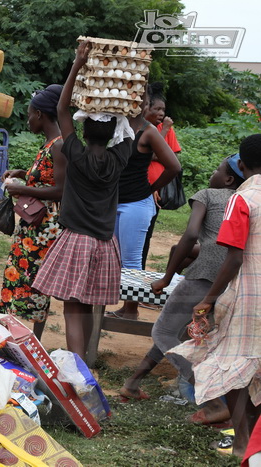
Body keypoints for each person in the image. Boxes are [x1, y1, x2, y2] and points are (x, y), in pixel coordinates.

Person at [117, 155, 244, 427]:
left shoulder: (208, 195)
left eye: (217, 169)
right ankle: (132, 383)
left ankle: (211, 402)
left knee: (163, 332)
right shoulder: (243, 200)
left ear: (229, 178)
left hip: (203, 275)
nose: (213, 171)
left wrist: (166, 277)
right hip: (230, 281)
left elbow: (189, 236)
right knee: (176, 331)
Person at [31, 40, 133, 360]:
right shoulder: (120, 157)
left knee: (72, 308)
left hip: (76, 240)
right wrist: (128, 85)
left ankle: (78, 367)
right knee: (88, 305)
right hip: (105, 243)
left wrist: (77, 64)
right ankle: (85, 362)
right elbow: (136, 121)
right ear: (115, 132)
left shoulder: (73, 151)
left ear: (84, 129)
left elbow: (62, 110)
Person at [169, 134, 261, 458]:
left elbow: (234, 259)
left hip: (248, 296)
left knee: (230, 367)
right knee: (255, 368)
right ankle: (252, 444)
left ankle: (241, 444)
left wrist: (208, 298)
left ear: (243, 165)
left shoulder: (243, 199)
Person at [105, 87, 180, 320]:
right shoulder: (118, 125)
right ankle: (122, 307)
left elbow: (174, 166)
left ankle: (131, 310)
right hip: (115, 201)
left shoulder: (148, 132)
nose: (141, 105)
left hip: (136, 205)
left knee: (131, 259)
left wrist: (151, 189)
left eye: (144, 102)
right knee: (115, 257)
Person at [0, 84, 66, 340]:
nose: (27, 120)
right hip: (33, 225)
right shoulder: (50, 144)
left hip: (42, 228)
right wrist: (22, 175)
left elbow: (60, 190)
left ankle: (30, 340)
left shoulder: (59, 145)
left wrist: (23, 188)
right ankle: (14, 335)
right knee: (19, 276)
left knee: (35, 282)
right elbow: (46, 179)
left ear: (40, 114)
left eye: (29, 114)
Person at [141, 82, 182, 269]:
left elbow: (172, 156)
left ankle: (138, 269)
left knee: (147, 232)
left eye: (163, 109)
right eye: (156, 108)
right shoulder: (142, 128)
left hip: (156, 189)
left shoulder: (166, 129)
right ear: (145, 107)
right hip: (140, 187)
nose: (161, 113)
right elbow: (147, 154)